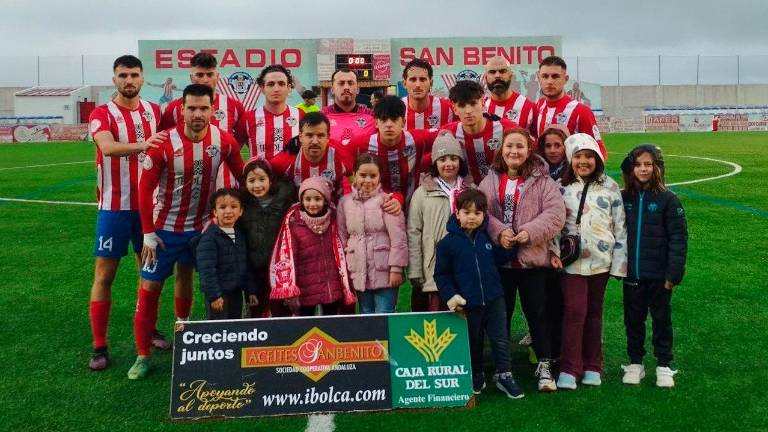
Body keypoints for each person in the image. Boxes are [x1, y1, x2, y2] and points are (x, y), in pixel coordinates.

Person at [131, 83, 245, 379]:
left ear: (212, 110)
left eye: (204, 108)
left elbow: (243, 176)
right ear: (181, 110)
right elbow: (143, 192)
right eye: (192, 108)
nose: (198, 113)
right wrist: (147, 233)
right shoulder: (163, 143)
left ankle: (184, 330)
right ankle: (143, 355)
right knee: (150, 288)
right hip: (164, 231)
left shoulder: (224, 140)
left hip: (203, 229)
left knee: (201, 281)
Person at [86, 54, 167, 371]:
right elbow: (106, 147)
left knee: (149, 275)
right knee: (104, 275)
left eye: (134, 75)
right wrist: (144, 144)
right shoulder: (102, 113)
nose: (129, 80)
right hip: (114, 209)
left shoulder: (154, 111)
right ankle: (99, 346)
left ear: (143, 78)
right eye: (123, 75)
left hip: (149, 208)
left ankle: (149, 329)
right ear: (114, 79)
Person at [479, 127, 565, 392]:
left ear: (529, 151)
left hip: (532, 263)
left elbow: (555, 213)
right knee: (500, 316)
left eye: (519, 147)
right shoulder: (491, 179)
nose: (513, 152)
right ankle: (503, 367)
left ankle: (545, 366)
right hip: (500, 264)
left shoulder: (543, 180)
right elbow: (480, 211)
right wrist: (499, 232)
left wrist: (529, 232)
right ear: (501, 150)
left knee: (538, 314)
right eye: (509, 146)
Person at [552, 133, 627, 390]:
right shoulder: (561, 188)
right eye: (578, 157)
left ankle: (593, 365)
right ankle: (569, 367)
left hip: (601, 262)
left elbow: (620, 227)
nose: (583, 162)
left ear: (597, 159)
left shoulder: (611, 187)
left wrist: (619, 264)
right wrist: (554, 255)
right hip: (571, 263)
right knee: (574, 311)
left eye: (589, 156)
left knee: (594, 314)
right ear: (570, 160)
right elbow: (554, 226)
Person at [434, 189, 524, 399]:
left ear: (484, 215)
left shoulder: (488, 237)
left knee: (500, 339)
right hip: (469, 303)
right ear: (457, 213)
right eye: (467, 212)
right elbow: (442, 275)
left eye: (477, 213)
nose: (472, 217)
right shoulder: (447, 244)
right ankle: (477, 374)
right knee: (473, 340)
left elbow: (501, 257)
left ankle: (504, 375)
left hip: (494, 299)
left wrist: (509, 244)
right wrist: (452, 296)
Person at [620, 144, 688, 388]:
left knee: (661, 319)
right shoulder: (623, 197)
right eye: (638, 164)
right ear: (631, 168)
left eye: (648, 164)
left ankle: (664, 364)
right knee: (633, 320)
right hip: (632, 274)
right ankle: (635, 362)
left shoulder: (669, 200)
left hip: (660, 276)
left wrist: (673, 273)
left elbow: (679, 238)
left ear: (658, 167)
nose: (643, 169)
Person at [269, 177, 356, 316]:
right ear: (302, 200)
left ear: (325, 200)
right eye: (308, 199)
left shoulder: (334, 220)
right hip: (306, 289)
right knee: (306, 330)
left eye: (317, 199)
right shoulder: (294, 225)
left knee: (331, 325)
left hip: (330, 286)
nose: (312, 204)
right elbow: (290, 258)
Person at [159, 52, 246, 188]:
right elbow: (163, 141)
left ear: (217, 77)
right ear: (192, 77)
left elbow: (239, 141)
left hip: (225, 188)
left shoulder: (234, 107)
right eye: (200, 75)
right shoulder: (175, 108)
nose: (205, 80)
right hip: (186, 189)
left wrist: (217, 152)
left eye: (210, 74)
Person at [407, 130, 472, 312]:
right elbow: (414, 231)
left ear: (460, 161)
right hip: (433, 266)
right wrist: (415, 270)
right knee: (435, 317)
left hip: (464, 266)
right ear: (435, 163)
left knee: (464, 314)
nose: (449, 164)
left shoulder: (471, 191)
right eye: (443, 159)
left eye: (453, 158)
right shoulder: (422, 193)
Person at [337, 153, 408, 314]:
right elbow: (342, 237)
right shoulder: (345, 203)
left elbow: (399, 239)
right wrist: (345, 268)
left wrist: (396, 269)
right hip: (358, 270)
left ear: (379, 177)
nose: (367, 180)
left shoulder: (387, 201)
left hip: (385, 271)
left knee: (384, 313)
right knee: (365, 313)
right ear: (354, 175)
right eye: (362, 175)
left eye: (372, 176)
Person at [347, 95, 438, 206]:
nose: (389, 125)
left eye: (394, 119)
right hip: (375, 209)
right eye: (384, 119)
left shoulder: (416, 139)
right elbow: (338, 158)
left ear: (403, 122)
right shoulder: (360, 144)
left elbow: (448, 132)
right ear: (376, 123)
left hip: (412, 207)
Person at [238, 157, 297, 318]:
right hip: (254, 267)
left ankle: (283, 341)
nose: (257, 185)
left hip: (280, 267)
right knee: (256, 309)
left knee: (281, 310)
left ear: (271, 180)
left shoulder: (285, 197)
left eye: (262, 179)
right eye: (252, 181)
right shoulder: (242, 203)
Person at [195, 188, 256, 320]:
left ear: (240, 211)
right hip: (219, 295)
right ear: (215, 212)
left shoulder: (240, 235)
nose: (228, 211)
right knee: (218, 331)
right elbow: (207, 270)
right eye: (222, 207)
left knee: (234, 328)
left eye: (233, 207)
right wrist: (214, 295)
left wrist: (250, 291)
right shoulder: (209, 238)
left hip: (236, 292)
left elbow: (246, 265)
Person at [442, 80, 518, 185]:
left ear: (482, 103)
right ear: (455, 109)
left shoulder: (507, 128)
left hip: (503, 191)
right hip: (467, 195)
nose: (468, 111)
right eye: (462, 105)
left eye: (473, 103)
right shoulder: (448, 133)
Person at [270, 112, 352, 202]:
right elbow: (261, 170)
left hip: (334, 211)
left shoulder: (341, 154)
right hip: (299, 212)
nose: (315, 141)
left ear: (328, 137)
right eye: (309, 135)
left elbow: (356, 180)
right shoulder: (287, 159)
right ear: (300, 137)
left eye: (320, 135)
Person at [535, 56, 605, 159]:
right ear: (539, 78)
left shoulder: (581, 111)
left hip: (569, 174)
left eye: (555, 76)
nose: (549, 81)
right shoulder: (539, 105)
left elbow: (598, 150)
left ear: (565, 79)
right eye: (545, 76)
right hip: (543, 173)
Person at [243, 65, 304, 161]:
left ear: (288, 88)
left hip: (293, 176)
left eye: (281, 84)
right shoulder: (248, 117)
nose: (276, 89)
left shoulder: (300, 115)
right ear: (262, 88)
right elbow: (234, 151)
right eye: (271, 84)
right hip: (261, 175)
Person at [483, 56, 537, 135]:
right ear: (486, 78)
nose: (497, 75)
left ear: (511, 76)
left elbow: (536, 142)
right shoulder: (480, 107)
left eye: (502, 71)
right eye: (492, 72)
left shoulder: (528, 107)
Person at [322, 68, 375, 145]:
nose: (346, 87)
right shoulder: (322, 117)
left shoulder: (372, 116)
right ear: (332, 89)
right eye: (341, 83)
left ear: (357, 89)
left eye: (350, 83)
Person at [401, 59, 454, 130]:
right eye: (413, 79)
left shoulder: (448, 108)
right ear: (404, 84)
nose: (418, 85)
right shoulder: (395, 109)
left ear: (431, 83)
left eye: (422, 79)